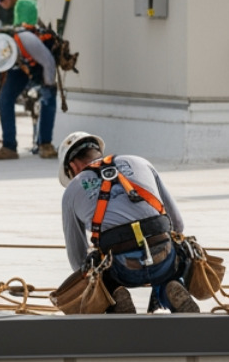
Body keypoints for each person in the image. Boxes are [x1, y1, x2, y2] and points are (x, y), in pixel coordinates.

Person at [57, 131, 198, 313]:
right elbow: (177, 225)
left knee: (97, 275)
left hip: (120, 268)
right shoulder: (140, 162)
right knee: (172, 266)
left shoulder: (72, 190)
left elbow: (78, 260)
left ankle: (115, 294)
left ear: (73, 166)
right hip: (163, 256)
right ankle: (169, 287)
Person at [0, 28, 58, 160]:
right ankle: (9, 147)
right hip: (18, 68)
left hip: (39, 63)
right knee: (4, 99)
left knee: (47, 98)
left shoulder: (28, 41)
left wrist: (48, 85)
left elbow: (49, 62)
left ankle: (45, 144)